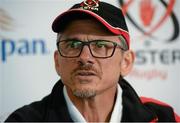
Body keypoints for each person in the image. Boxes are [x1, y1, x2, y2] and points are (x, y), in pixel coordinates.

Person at [5, 0, 180, 122]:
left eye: (101, 45)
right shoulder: (23, 120)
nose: (85, 57)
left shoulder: (165, 117)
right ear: (57, 62)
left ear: (126, 62)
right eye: (73, 44)